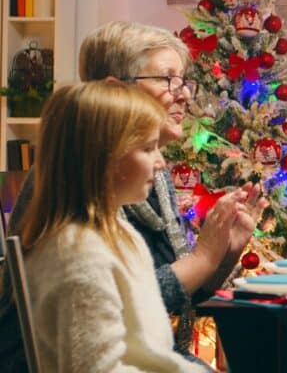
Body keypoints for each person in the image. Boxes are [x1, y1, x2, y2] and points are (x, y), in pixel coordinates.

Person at [0, 22, 264, 371]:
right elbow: (109, 307)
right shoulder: (72, 189)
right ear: (114, 91)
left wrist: (222, 252)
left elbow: (163, 301)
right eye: (167, 78)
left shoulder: (148, 178)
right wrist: (201, 257)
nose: (183, 93)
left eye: (183, 80)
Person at [13, 81, 208, 371]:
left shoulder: (119, 233)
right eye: (148, 148)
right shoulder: (78, 254)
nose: (160, 162)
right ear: (104, 157)